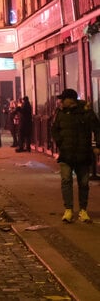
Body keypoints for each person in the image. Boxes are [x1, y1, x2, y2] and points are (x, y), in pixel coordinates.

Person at [51, 89, 100, 223]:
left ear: (71, 100)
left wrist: (96, 146)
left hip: (83, 153)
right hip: (66, 153)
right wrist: (60, 142)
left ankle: (83, 210)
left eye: (63, 99)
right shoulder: (61, 113)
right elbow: (54, 129)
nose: (61, 101)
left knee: (83, 183)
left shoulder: (86, 112)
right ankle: (68, 209)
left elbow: (97, 128)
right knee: (66, 181)